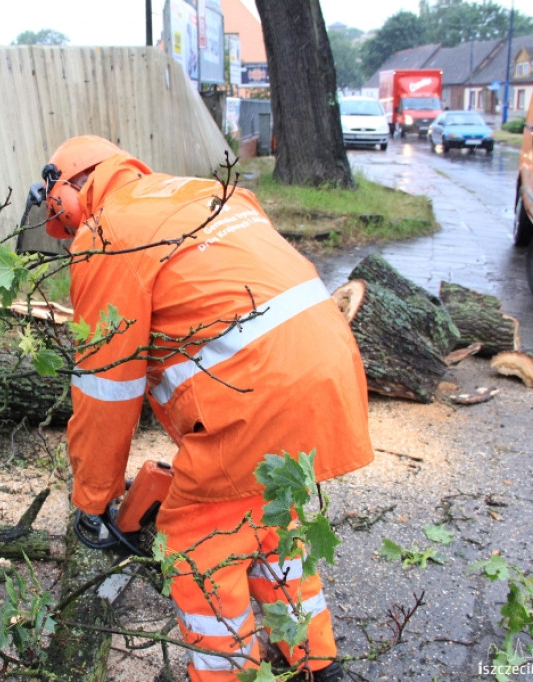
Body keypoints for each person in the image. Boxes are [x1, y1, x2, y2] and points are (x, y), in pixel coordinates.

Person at [30, 135, 374, 682]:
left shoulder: (106, 235)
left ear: (66, 194)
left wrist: (93, 500)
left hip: (256, 394)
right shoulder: (201, 190)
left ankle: (227, 675)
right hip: (330, 368)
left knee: (198, 537)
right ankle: (314, 661)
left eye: (65, 227)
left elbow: (106, 389)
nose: (71, 238)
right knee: (269, 516)